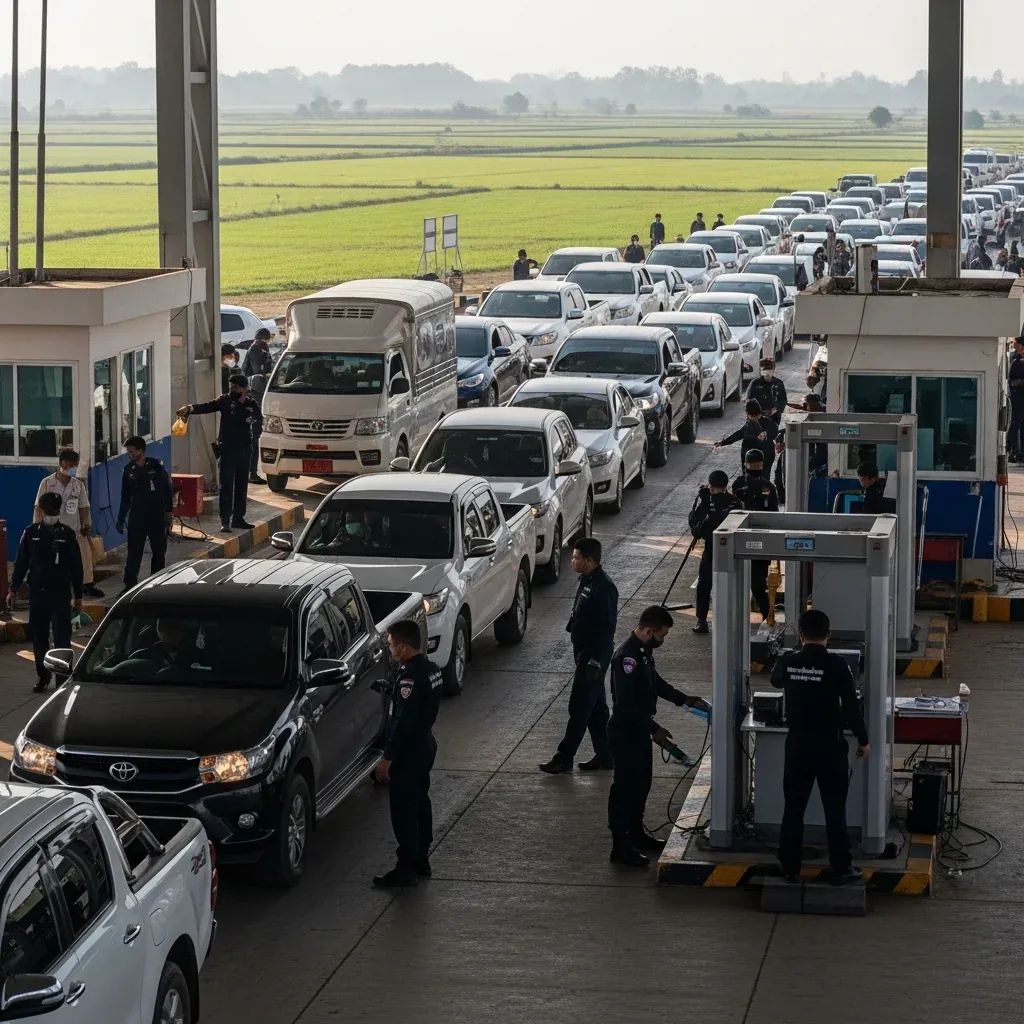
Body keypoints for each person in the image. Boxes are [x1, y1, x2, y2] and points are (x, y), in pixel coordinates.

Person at [771, 609, 869, 885]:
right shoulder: (838, 666)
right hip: (830, 747)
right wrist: (863, 740)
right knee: (834, 810)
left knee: (793, 808)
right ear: (829, 634)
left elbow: (775, 680)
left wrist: (793, 656)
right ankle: (841, 868)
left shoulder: (789, 661)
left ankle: (789, 867)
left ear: (801, 634)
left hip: (798, 746)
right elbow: (851, 709)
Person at [607, 605, 706, 867]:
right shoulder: (627, 658)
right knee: (624, 789)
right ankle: (620, 845)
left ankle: (636, 834)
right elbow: (625, 705)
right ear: (649, 631)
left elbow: (655, 683)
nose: (662, 641)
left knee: (642, 785)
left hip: (639, 730)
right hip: (626, 731)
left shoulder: (643, 653)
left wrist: (683, 699)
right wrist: (655, 730)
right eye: (662, 635)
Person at [372, 619, 443, 888]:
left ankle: (406, 869)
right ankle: (421, 858)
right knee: (420, 803)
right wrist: (392, 690)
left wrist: (388, 758)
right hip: (425, 747)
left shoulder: (410, 677)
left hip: (408, 753)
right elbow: (418, 703)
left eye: (391, 645)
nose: (390, 650)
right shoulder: (431, 670)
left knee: (403, 811)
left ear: (402, 646)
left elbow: (405, 721)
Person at [539, 538, 617, 774]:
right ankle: (606, 756)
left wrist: (595, 660)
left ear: (590, 561)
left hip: (593, 656)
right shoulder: (587, 580)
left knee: (580, 706)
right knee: (597, 709)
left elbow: (606, 627)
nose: (572, 561)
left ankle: (565, 757)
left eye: (576, 557)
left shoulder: (604, 587)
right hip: (584, 652)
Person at [7, 492, 83, 692]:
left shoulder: (67, 534)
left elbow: (76, 567)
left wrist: (79, 595)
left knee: (62, 638)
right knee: (39, 637)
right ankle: (43, 675)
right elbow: (21, 563)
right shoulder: (31, 533)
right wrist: (13, 589)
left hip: (60, 595)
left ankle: (62, 679)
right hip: (38, 594)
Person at [178, 374, 263, 533]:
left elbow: (259, 420)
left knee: (241, 486)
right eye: (231, 387)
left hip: (244, 450)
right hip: (227, 450)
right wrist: (189, 408)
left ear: (244, 389)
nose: (233, 390)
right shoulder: (224, 401)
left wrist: (244, 407)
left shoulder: (251, 404)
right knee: (226, 486)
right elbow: (206, 407)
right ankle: (225, 520)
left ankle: (238, 518)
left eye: (236, 388)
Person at [34, 449, 103, 598]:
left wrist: (86, 524)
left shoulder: (78, 485)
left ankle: (87, 584)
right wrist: (37, 526)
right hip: (52, 529)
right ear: (61, 463)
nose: (70, 467)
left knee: (83, 558)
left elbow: (84, 507)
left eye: (74, 465)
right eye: (68, 464)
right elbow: (38, 507)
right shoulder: (47, 483)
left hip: (74, 529)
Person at [117, 436, 173, 592]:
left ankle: (157, 583)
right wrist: (121, 519)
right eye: (128, 451)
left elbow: (167, 489)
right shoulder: (129, 471)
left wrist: (169, 511)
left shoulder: (156, 465)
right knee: (134, 552)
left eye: (132, 451)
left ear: (141, 450)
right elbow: (125, 497)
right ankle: (129, 584)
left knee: (159, 550)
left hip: (156, 515)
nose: (130, 454)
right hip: (138, 516)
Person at [689, 470, 741, 634]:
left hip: (713, 547)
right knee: (730, 583)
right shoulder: (735, 502)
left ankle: (701, 619)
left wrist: (705, 506)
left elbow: (696, 528)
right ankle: (732, 618)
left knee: (704, 584)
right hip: (732, 549)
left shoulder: (711, 502)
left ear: (710, 486)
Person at [732, 448, 779, 621]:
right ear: (746, 464)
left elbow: (773, 514)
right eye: (753, 464)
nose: (755, 467)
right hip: (741, 538)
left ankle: (768, 615)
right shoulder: (739, 484)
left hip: (760, 539)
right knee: (741, 582)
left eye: (758, 464)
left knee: (758, 584)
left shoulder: (768, 487)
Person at [715, 399, 778, 474]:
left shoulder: (753, 424)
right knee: (762, 479)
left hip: (758, 458)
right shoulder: (768, 422)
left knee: (753, 478)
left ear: (749, 413)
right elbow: (739, 433)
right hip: (762, 457)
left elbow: (739, 434)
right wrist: (723, 442)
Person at [745, 358, 788, 426]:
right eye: (764, 370)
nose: (767, 373)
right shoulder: (755, 383)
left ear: (773, 370)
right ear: (761, 370)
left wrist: (775, 409)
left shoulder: (778, 383)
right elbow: (748, 401)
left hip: (774, 417)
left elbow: (783, 400)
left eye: (769, 370)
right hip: (756, 418)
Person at [247, 370, 270, 484]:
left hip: (250, 422)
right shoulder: (259, 384)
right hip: (254, 422)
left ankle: (251, 473)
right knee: (254, 446)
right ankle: (252, 474)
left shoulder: (253, 383)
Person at [1008, 337, 1024, 462]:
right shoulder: (1016, 361)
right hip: (1018, 397)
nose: (1014, 346)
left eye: (1016, 344)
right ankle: (1010, 450)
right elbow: (1012, 381)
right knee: (1016, 423)